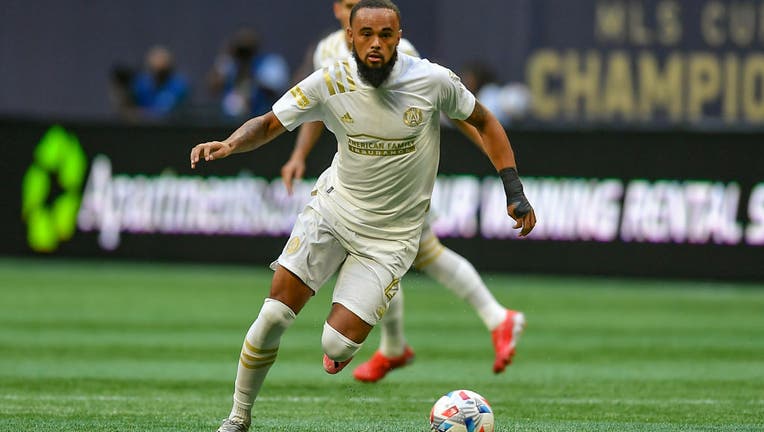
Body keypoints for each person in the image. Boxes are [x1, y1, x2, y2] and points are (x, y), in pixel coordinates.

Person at [190, 1, 535, 430]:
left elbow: (485, 122)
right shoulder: (330, 78)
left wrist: (513, 189)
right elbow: (268, 124)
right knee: (273, 315)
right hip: (333, 210)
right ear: (349, 37)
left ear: (398, 37)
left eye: (385, 35)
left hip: (391, 238)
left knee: (336, 346)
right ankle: (237, 419)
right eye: (366, 34)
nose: (376, 44)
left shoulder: (431, 80)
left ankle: (355, 339)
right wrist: (229, 143)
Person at [280, 0, 527, 383]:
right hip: (362, 177)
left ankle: (469, 325)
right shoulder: (327, 51)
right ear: (339, 12)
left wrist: (490, 151)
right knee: (412, 255)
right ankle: (462, 327)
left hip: (401, 180)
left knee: (396, 253)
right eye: (347, 5)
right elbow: (317, 107)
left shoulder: (401, 54)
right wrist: (299, 155)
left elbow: (451, 105)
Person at [208, 28, 290, 120]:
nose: (244, 53)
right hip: (228, 121)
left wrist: (252, 76)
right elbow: (213, 87)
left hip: (260, 118)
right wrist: (225, 55)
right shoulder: (229, 62)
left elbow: (276, 90)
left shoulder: (270, 63)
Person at [130, 45, 189, 119]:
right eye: (153, 70)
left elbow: (167, 113)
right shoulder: (141, 84)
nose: (157, 74)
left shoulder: (179, 85)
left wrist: (140, 113)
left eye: (162, 72)